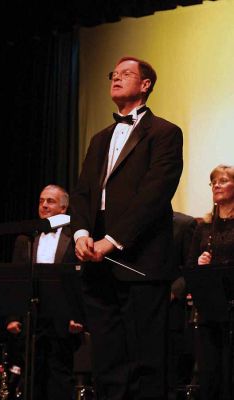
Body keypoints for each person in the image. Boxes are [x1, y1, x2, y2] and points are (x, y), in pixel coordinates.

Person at [70, 56, 183, 400]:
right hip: (96, 261)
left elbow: (154, 194)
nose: (116, 78)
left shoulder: (165, 133)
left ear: (145, 84)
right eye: (113, 74)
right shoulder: (99, 138)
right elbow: (83, 193)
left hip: (139, 260)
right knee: (107, 358)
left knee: (145, 359)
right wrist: (81, 234)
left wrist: (113, 241)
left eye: (125, 74)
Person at [7, 184, 84, 400]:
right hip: (32, 318)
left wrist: (78, 315)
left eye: (50, 201)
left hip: (63, 319)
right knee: (32, 376)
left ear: (63, 207)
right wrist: (14, 316)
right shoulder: (27, 238)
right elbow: (17, 279)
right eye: (41, 201)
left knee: (59, 377)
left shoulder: (75, 237)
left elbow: (82, 279)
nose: (44, 205)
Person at [186, 164, 234, 400]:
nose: (216, 185)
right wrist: (200, 263)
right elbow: (189, 266)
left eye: (223, 180)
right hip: (209, 308)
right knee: (209, 371)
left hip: (231, 304)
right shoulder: (203, 226)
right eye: (213, 181)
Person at [168, 212, 197, 399]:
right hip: (140, 307)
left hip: (171, 308)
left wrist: (173, 292)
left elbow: (190, 266)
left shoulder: (184, 224)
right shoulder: (136, 224)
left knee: (173, 371)